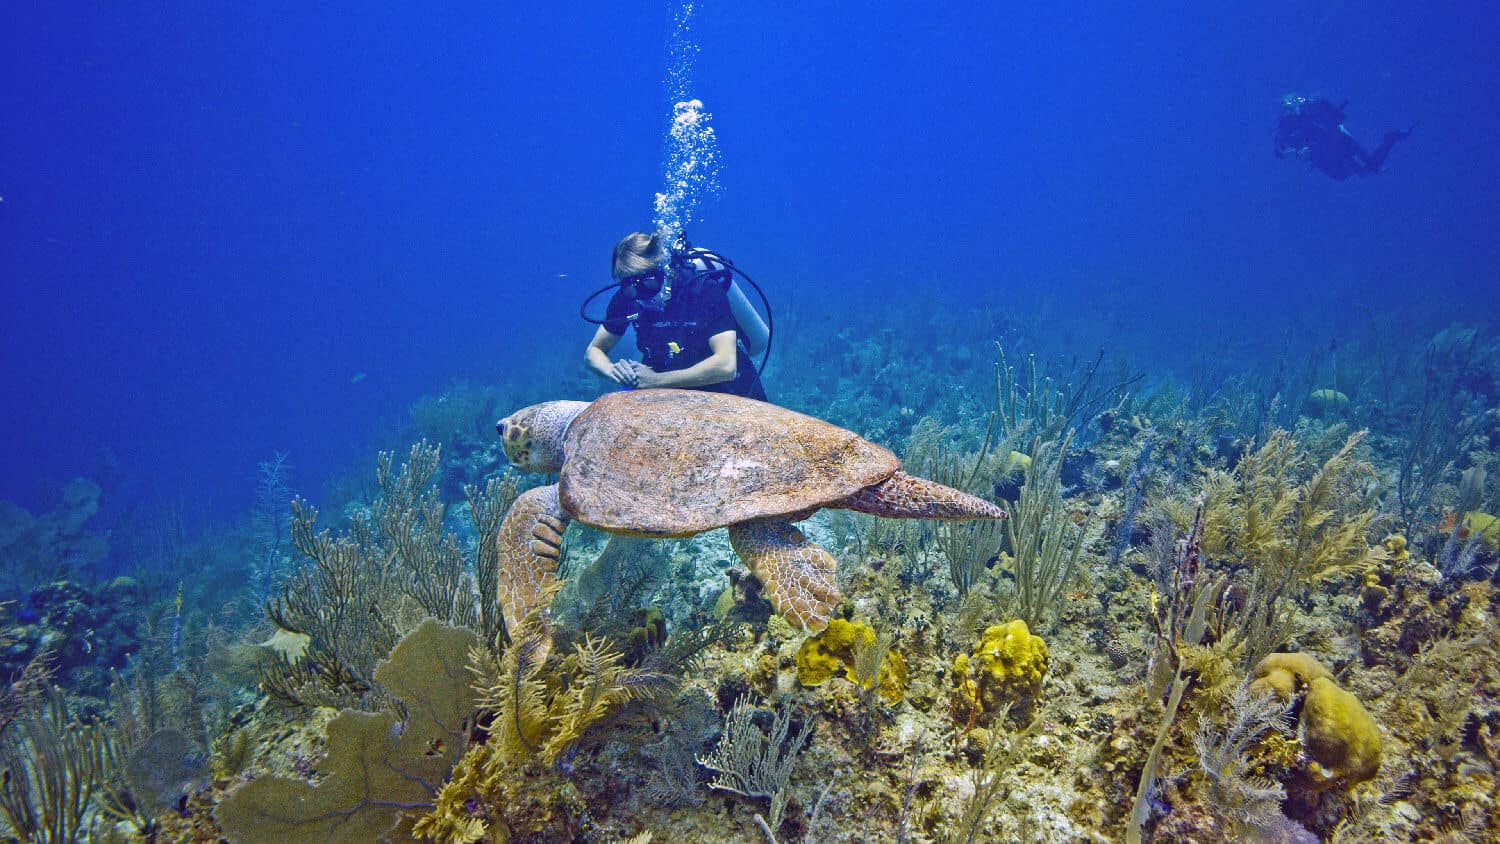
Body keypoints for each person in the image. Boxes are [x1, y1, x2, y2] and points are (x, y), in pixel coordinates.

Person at [585, 231, 768, 401]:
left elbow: (726, 366)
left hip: (728, 389)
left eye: (649, 283)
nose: (641, 294)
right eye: (630, 285)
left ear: (664, 271)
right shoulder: (626, 298)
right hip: (667, 388)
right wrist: (613, 370)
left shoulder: (702, 291)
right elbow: (594, 351)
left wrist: (655, 380)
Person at [1274, 93, 1410, 180]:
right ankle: (1391, 138)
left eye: (1289, 107)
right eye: (1286, 108)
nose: (1289, 111)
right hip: (1332, 147)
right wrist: (1298, 152)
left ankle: (1390, 138)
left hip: (1337, 145)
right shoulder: (1289, 123)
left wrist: (1301, 151)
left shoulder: (1310, 109)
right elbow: (1280, 150)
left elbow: (1337, 118)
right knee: (1366, 170)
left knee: (1368, 169)